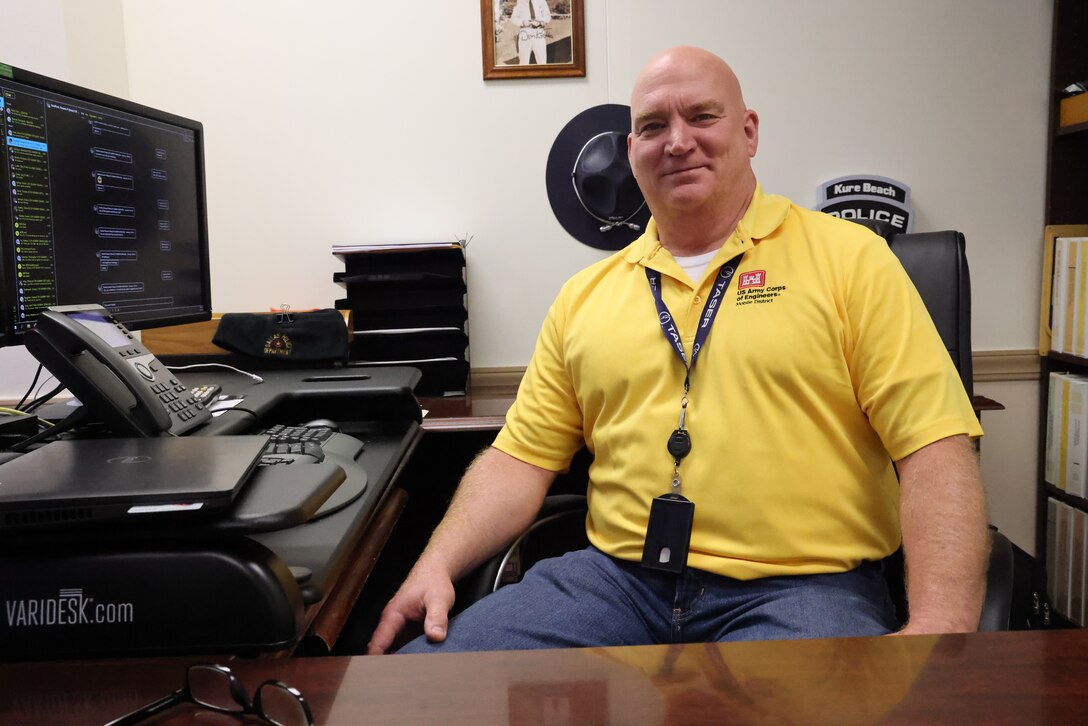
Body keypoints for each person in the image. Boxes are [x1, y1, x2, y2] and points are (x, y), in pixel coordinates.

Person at [367, 46, 989, 655]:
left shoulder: (852, 260)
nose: (677, 140)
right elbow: (518, 462)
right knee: (424, 687)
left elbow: (934, 447)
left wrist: (939, 631)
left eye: (702, 116)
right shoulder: (585, 297)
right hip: (614, 585)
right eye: (652, 126)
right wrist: (436, 564)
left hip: (802, 589)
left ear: (748, 132)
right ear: (631, 150)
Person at [510, 0, 551, 65]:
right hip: (525, 32)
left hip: (538, 32)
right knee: (523, 61)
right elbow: (513, 18)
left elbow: (547, 16)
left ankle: (542, 74)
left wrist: (541, 22)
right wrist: (523, 22)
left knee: (542, 61)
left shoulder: (541, 1)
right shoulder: (520, 1)